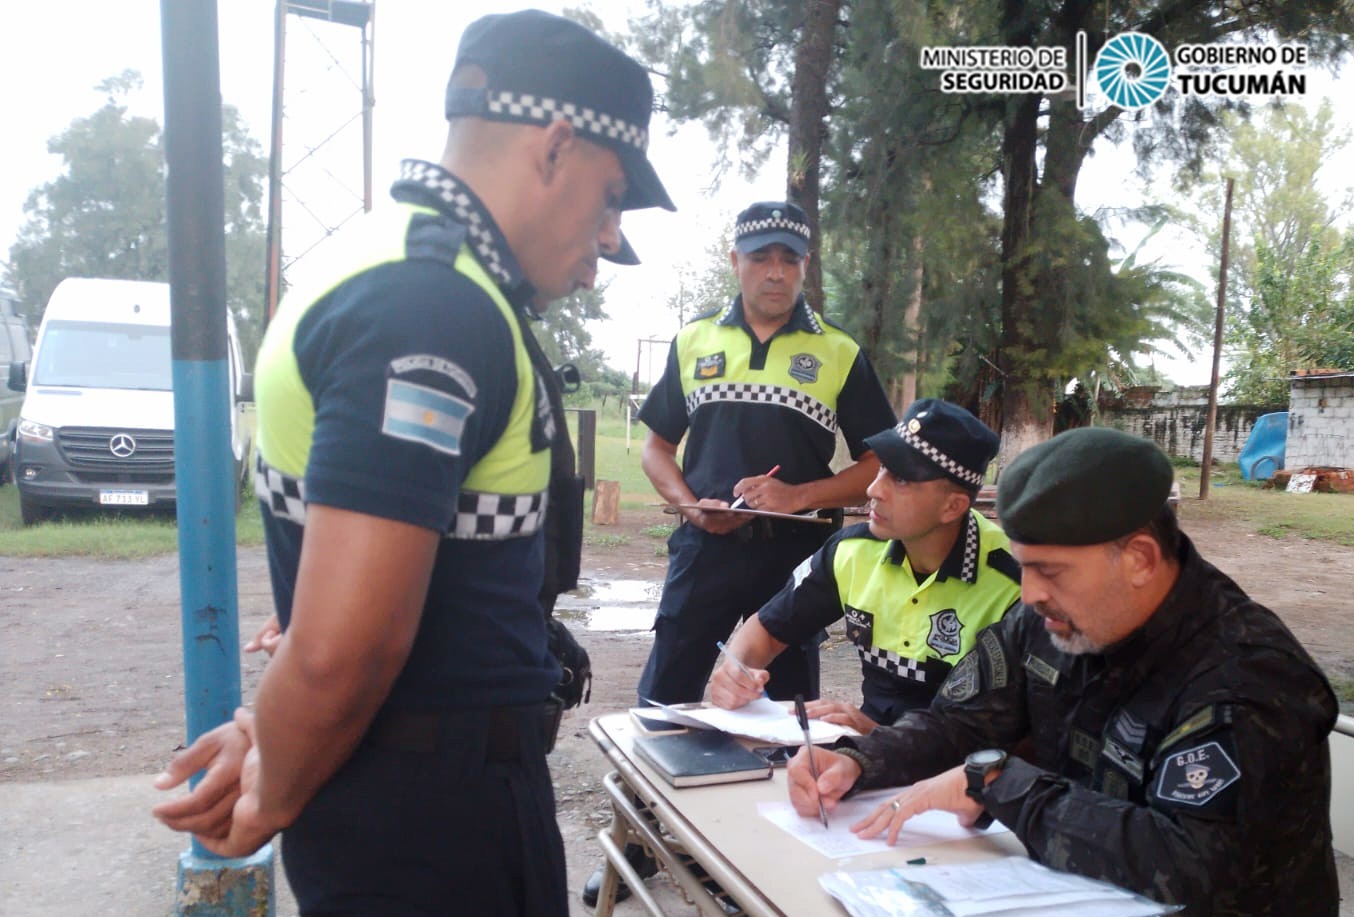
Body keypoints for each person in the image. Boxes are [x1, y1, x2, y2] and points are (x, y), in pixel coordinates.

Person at [151, 10, 674, 915]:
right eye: (610, 195)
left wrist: (276, 732)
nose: (605, 237)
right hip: (434, 827)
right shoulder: (430, 305)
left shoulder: (395, 265)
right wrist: (271, 788)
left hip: (412, 791)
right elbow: (343, 650)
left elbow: (362, 577)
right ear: (555, 147)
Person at [787, 427, 1339, 915]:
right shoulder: (1051, 616)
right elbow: (960, 721)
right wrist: (859, 760)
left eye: (1050, 572)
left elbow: (1187, 865)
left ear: (1141, 559)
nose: (1029, 594)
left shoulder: (1247, 678)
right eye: (1025, 567)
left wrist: (1003, 785)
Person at [584, 200, 895, 908]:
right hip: (704, 549)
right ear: (736, 262)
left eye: (790, 259)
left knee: (783, 714)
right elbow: (656, 447)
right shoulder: (695, 340)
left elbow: (878, 462)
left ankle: (754, 867)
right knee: (665, 700)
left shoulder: (840, 352)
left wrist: (800, 495)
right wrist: (690, 502)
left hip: (793, 562)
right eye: (761, 258)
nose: (775, 272)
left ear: (805, 266)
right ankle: (638, 844)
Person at [708, 399, 1020, 734]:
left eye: (900, 479)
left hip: (961, 758)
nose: (873, 489)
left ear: (952, 506)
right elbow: (768, 629)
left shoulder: (1014, 583)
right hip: (866, 748)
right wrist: (736, 670)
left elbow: (1010, 735)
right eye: (882, 468)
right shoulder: (853, 551)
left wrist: (877, 736)